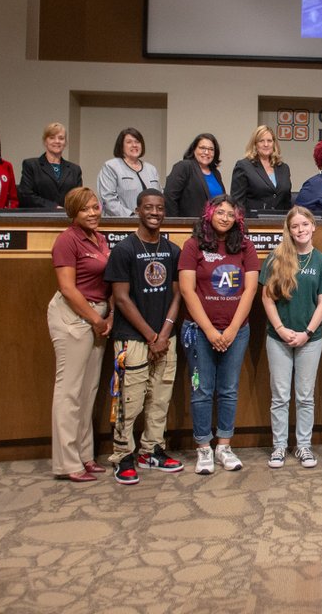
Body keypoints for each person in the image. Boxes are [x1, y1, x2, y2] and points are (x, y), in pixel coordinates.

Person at [104, 189, 184, 484]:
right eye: (148, 207)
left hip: (165, 338)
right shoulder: (124, 249)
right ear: (137, 210)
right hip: (133, 338)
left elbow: (178, 295)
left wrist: (164, 333)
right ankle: (123, 455)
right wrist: (151, 336)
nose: (154, 213)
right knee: (130, 399)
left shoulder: (172, 250)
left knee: (160, 398)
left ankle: (151, 450)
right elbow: (121, 298)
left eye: (159, 208)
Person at [177, 194, 260, 475]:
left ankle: (224, 446)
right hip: (199, 331)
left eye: (231, 214)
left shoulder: (245, 246)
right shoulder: (193, 245)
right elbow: (187, 290)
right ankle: (203, 447)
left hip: (237, 331)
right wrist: (211, 331)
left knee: (228, 389)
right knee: (202, 389)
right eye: (220, 212)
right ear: (209, 214)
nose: (225, 218)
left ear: (238, 219)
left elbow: (250, 289)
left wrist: (233, 329)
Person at [259, 206, 322, 469]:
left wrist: (307, 333)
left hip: (310, 339)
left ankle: (303, 446)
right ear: (289, 230)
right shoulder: (276, 257)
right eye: (295, 226)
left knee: (305, 396)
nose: (300, 230)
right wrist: (280, 328)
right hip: (278, 337)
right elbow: (266, 298)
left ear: (313, 226)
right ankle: (279, 446)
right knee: (280, 396)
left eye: (304, 224)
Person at [47, 187, 112, 482]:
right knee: (69, 391)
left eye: (95, 207)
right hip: (73, 317)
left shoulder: (100, 238)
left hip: (97, 316)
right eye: (85, 209)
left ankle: (85, 455)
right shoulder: (66, 240)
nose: (93, 213)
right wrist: (96, 319)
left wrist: (106, 316)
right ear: (73, 212)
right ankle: (67, 462)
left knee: (88, 391)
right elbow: (67, 288)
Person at [98, 127, 162, 217]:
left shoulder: (151, 169)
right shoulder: (111, 167)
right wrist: (132, 217)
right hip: (123, 222)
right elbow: (108, 200)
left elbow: (160, 197)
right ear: (121, 146)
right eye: (129, 142)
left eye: (137, 142)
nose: (134, 145)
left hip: (151, 221)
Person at [18, 122, 82, 210]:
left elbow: (79, 198)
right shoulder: (31, 165)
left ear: (65, 142)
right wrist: (54, 207)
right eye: (52, 138)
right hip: (39, 215)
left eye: (61, 138)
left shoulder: (75, 169)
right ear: (45, 141)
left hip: (67, 216)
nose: (57, 141)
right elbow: (25, 195)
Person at [231, 125, 293, 215]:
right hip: (253, 221)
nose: (266, 144)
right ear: (255, 144)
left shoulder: (284, 168)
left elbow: (287, 201)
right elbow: (237, 203)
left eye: (269, 141)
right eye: (261, 141)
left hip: (280, 221)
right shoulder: (243, 166)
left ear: (274, 144)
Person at [165, 133, 225, 217]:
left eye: (211, 149)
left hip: (213, 223)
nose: (207, 152)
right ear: (194, 149)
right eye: (202, 148)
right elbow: (170, 197)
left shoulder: (216, 173)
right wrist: (176, 222)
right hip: (190, 223)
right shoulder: (184, 167)